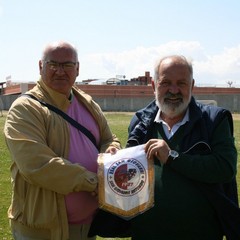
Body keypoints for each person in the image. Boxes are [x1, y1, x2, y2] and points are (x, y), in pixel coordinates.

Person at [4, 41, 121, 240]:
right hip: (43, 231)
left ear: (77, 69)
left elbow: (109, 138)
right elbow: (38, 165)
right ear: (41, 67)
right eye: (53, 64)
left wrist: (111, 151)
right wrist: (94, 182)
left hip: (89, 227)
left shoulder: (87, 102)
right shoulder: (25, 109)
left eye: (67, 65)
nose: (60, 71)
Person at [126, 55, 239, 240]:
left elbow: (225, 168)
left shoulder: (214, 120)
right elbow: (130, 174)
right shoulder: (140, 123)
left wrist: (172, 157)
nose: (174, 90)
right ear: (154, 86)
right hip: (146, 233)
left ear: (192, 86)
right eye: (166, 83)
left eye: (181, 83)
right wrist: (113, 163)